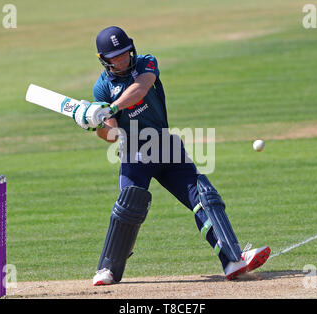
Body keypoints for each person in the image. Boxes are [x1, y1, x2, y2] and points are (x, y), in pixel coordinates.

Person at [72, 26, 271, 286]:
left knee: (204, 196)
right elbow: (112, 134)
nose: (122, 59)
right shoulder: (101, 88)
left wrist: (111, 107)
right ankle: (107, 270)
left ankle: (232, 260)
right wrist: (95, 124)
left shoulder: (146, 63)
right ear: (103, 60)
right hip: (134, 155)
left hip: (165, 147)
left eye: (125, 53)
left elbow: (140, 90)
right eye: (115, 57)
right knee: (129, 208)